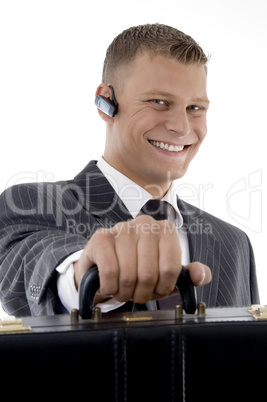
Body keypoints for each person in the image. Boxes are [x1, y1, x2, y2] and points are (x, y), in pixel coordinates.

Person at [0, 23, 259, 317]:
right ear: (106, 102)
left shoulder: (234, 243)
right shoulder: (32, 204)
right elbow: (31, 269)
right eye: (159, 102)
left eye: (195, 108)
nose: (182, 127)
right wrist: (86, 274)